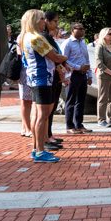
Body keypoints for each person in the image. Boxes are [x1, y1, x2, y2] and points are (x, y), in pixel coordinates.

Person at [19, 9, 68, 163]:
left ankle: (36, 148)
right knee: (42, 115)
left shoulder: (25, 37)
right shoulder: (35, 38)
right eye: (41, 19)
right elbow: (54, 57)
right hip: (42, 79)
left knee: (37, 114)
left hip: (35, 78)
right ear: (34, 20)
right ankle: (40, 151)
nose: (44, 22)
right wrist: (65, 57)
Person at [63, 23, 94, 134]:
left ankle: (79, 124)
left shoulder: (83, 43)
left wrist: (89, 75)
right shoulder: (67, 43)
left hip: (83, 75)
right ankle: (69, 125)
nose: (82, 31)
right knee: (71, 100)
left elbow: (86, 60)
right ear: (72, 30)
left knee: (81, 100)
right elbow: (64, 60)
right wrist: (78, 67)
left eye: (83, 28)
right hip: (72, 75)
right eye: (79, 29)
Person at [43, 12, 67, 149]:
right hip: (46, 76)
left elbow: (58, 56)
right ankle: (44, 139)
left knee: (51, 108)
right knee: (45, 111)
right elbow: (55, 57)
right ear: (47, 21)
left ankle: (49, 135)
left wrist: (62, 61)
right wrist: (62, 59)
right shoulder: (42, 37)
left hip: (55, 76)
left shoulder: (49, 37)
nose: (57, 24)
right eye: (55, 21)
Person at [16, 34, 33, 138]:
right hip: (24, 71)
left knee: (29, 101)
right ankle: (27, 128)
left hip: (29, 70)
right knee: (25, 100)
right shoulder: (21, 37)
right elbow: (20, 55)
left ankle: (24, 127)